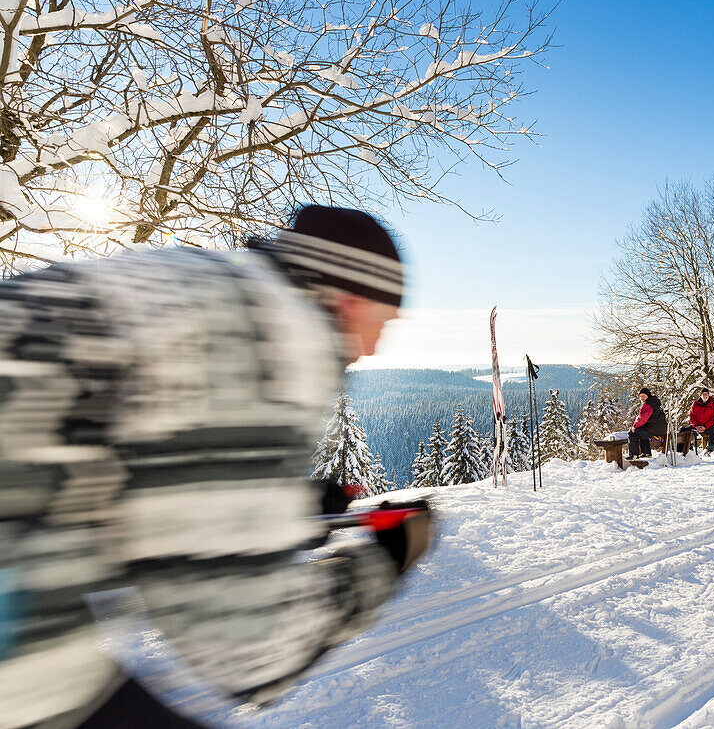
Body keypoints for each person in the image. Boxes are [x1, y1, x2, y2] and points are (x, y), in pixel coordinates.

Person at [0, 205, 432, 728]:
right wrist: (387, 560)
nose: (371, 349)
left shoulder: (207, 287)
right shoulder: (264, 336)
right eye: (379, 323)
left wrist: (294, 509)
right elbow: (251, 648)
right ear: (347, 299)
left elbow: (140, 490)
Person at [627, 387, 667, 459]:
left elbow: (642, 418)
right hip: (662, 429)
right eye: (640, 396)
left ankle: (634, 454)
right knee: (642, 431)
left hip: (654, 430)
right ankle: (646, 453)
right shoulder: (655, 403)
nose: (642, 398)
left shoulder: (647, 405)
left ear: (648, 396)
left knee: (632, 433)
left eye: (643, 396)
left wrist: (634, 426)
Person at [689, 388, 714, 453]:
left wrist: (706, 426)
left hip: (708, 426)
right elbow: (691, 416)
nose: (705, 396)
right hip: (697, 426)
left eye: (706, 394)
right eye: (703, 394)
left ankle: (709, 449)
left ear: (708, 395)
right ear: (700, 395)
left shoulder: (713, 404)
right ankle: (689, 449)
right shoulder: (695, 404)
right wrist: (696, 426)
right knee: (686, 430)